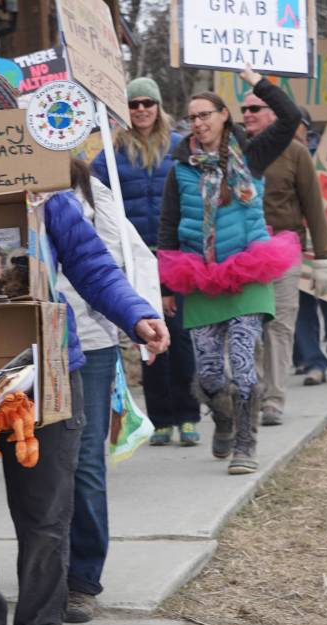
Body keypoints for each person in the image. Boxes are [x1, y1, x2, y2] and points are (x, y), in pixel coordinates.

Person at [0, 69, 169, 625]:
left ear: (10, 122)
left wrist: (138, 316)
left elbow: (93, 265)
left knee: (44, 517)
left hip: (47, 374)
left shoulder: (48, 193)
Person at [158, 66, 301, 474]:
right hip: (200, 276)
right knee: (207, 372)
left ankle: (245, 444)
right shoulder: (180, 168)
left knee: (241, 362)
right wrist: (166, 286)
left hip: (248, 270)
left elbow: (290, 118)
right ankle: (222, 417)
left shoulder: (252, 154)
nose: (199, 123)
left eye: (206, 114)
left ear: (224, 116)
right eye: (192, 117)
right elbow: (167, 227)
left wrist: (257, 81)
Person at [60, 158, 160, 624]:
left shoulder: (91, 190)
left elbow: (117, 259)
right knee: (35, 464)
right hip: (17, 341)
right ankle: (44, 568)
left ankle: (82, 578)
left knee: (84, 462)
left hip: (91, 341)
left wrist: (137, 315)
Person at [91, 77, 200, 447]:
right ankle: (160, 418)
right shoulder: (110, 152)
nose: (141, 110)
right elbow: (91, 194)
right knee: (147, 336)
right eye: (134, 104)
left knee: (181, 337)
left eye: (147, 103)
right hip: (135, 258)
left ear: (157, 107)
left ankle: (187, 414)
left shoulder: (179, 147)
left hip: (176, 253)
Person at [241, 96, 327, 424]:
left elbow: (314, 208)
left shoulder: (296, 153)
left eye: (254, 108)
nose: (247, 115)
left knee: (279, 326)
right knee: (248, 325)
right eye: (244, 109)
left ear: (273, 113)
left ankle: (273, 399)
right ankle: (251, 390)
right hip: (242, 252)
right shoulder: (236, 151)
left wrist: (323, 259)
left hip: (284, 249)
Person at [285, 108, 327, 387]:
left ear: (305, 127)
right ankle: (313, 362)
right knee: (301, 305)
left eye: (294, 123)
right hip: (295, 239)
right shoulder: (277, 153)